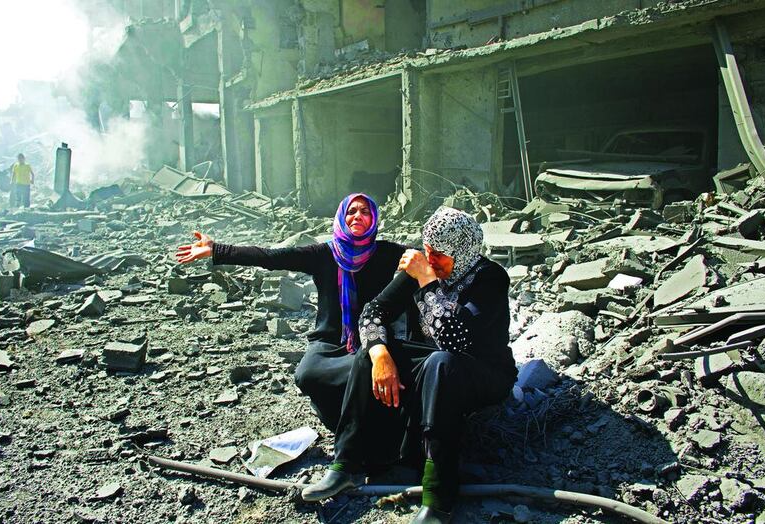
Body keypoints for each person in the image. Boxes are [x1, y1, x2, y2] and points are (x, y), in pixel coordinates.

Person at [301, 207, 518, 524]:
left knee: (442, 363)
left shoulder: (490, 278)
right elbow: (373, 313)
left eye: (440, 256)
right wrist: (379, 354)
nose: (432, 261)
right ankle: (346, 465)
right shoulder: (424, 267)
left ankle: (438, 498)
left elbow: (455, 340)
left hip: (482, 370)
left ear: (463, 251)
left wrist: (427, 281)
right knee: (370, 353)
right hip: (436, 363)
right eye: (428, 253)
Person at [175, 193, 407, 433]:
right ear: (341, 217)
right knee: (307, 375)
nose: (357, 215)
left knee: (379, 375)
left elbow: (426, 258)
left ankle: (365, 432)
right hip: (329, 339)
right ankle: (345, 428)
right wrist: (217, 250)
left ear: (374, 219)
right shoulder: (324, 254)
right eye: (351, 211)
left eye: (365, 212)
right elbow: (271, 257)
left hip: (373, 340)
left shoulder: (387, 253)